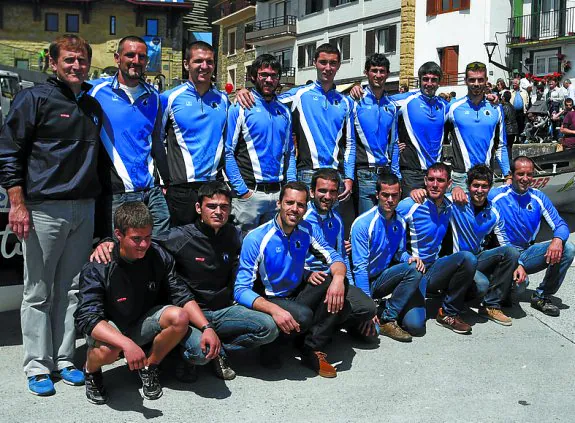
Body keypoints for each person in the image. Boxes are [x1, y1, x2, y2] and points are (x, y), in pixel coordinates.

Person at [90, 183, 279, 383]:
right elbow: (141, 240)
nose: (218, 212)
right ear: (198, 208)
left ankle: (219, 350)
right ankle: (188, 354)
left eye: (224, 207)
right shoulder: (179, 236)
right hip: (191, 313)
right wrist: (108, 242)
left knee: (269, 328)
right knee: (199, 354)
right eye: (212, 206)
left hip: (224, 310)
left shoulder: (233, 235)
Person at [0, 35, 102, 396]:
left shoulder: (91, 104)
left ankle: (63, 358)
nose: (76, 66)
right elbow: (9, 151)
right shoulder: (34, 98)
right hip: (44, 208)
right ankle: (37, 365)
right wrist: (17, 202)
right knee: (38, 291)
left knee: (71, 289)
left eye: (82, 60)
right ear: (53, 63)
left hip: (83, 207)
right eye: (69, 60)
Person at [76, 202, 193, 404]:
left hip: (140, 323)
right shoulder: (99, 265)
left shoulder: (158, 254)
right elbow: (87, 318)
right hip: (109, 329)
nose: (144, 245)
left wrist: (207, 327)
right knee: (109, 350)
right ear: (118, 235)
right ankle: (91, 370)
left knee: (180, 317)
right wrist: (126, 344)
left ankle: (150, 366)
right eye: (136, 239)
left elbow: (180, 293)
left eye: (147, 237)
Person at [234, 182, 349, 378]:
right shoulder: (256, 238)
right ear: (279, 204)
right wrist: (274, 310)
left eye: (301, 205)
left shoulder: (306, 229)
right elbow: (240, 290)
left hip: (296, 293)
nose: (295, 209)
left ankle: (311, 349)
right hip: (270, 299)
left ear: (306, 207)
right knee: (303, 316)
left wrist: (338, 278)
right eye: (289, 203)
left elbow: (334, 257)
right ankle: (275, 343)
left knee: (339, 287)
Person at [236, 44, 355, 204]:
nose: (328, 68)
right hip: (307, 173)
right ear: (314, 63)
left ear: (339, 65)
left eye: (333, 63)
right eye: (323, 62)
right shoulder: (299, 95)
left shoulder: (346, 102)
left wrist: (349, 177)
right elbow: (265, 97)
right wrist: (243, 91)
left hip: (336, 175)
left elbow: (350, 144)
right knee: (303, 226)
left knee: (330, 225)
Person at [414, 165, 519, 326]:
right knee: (481, 284)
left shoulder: (494, 211)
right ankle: (449, 306)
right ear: (469, 186)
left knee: (511, 252)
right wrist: (415, 191)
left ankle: (491, 305)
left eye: (484, 186)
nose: (479, 190)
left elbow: (504, 241)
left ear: (490, 188)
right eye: (475, 185)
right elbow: (435, 193)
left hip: (477, 258)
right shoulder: (455, 202)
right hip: (455, 261)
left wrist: (518, 265)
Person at [89, 35, 170, 237]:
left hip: (151, 190)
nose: (136, 61)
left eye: (141, 57)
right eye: (130, 55)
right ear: (117, 58)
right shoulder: (95, 91)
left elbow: (156, 141)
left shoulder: (154, 97)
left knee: (160, 246)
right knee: (120, 254)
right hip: (117, 192)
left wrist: (165, 181)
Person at [396, 163, 477, 334]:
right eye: (431, 179)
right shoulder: (410, 205)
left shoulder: (449, 204)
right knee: (415, 326)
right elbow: (385, 220)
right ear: (425, 181)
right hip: (413, 270)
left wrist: (458, 190)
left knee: (468, 259)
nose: (434, 184)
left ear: (448, 184)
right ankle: (395, 302)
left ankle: (448, 313)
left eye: (440, 180)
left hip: (434, 267)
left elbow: (479, 195)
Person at [489, 156, 575, 316]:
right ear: (511, 175)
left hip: (525, 253)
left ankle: (542, 296)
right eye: (521, 174)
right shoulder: (495, 196)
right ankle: (499, 288)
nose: (525, 179)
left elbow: (561, 225)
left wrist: (557, 240)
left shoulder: (538, 197)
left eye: (529, 174)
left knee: (567, 248)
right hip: (502, 255)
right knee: (520, 286)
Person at [352, 62, 448, 198]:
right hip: (411, 173)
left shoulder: (445, 106)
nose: (429, 83)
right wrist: (358, 88)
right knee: (410, 214)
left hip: (435, 174)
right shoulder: (405, 100)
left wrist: (489, 100)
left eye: (434, 80)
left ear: (439, 82)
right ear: (419, 80)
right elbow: (378, 100)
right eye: (425, 79)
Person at [350, 172, 425, 341]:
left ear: (400, 195)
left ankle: (388, 317)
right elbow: (360, 269)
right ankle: (366, 313)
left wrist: (409, 258)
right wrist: (367, 308)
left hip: (379, 278)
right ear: (377, 195)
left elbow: (399, 252)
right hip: (358, 283)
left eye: (394, 195)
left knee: (415, 268)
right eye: (385, 195)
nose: (390, 200)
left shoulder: (400, 221)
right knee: (371, 336)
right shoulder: (363, 224)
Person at [160, 41, 229, 226]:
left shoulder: (223, 99)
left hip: (214, 187)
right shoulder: (169, 98)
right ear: (186, 64)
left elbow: (228, 143)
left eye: (209, 62)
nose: (204, 67)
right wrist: (162, 181)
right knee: (181, 245)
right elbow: (157, 141)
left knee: (211, 246)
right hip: (181, 188)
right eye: (198, 61)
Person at [225, 54, 296, 232]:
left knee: (271, 251)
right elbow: (227, 152)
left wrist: (291, 187)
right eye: (263, 74)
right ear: (253, 76)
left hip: (278, 194)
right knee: (243, 251)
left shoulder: (284, 111)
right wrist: (243, 191)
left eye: (273, 75)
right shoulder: (240, 107)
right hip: (250, 194)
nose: (268, 79)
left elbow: (290, 153)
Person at [302, 169, 376, 338]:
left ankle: (332, 325)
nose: (327, 196)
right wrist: (306, 273)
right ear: (312, 192)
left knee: (368, 308)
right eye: (322, 191)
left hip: (336, 276)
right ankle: (312, 336)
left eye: (332, 191)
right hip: (311, 281)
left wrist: (347, 285)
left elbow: (342, 257)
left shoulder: (336, 218)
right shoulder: (303, 218)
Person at [446, 62, 510, 188]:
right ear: (465, 81)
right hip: (460, 178)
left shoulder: (496, 108)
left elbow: (501, 145)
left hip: (485, 177)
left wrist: (507, 175)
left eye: (480, 80)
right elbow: (435, 136)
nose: (476, 84)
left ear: (486, 80)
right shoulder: (453, 108)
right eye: (472, 80)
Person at [351, 53, 400, 214]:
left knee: (385, 222)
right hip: (364, 172)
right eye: (374, 70)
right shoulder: (356, 101)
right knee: (367, 222)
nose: (378, 75)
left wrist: (396, 174)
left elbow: (394, 143)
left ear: (387, 74)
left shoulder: (392, 105)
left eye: (382, 71)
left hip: (385, 173)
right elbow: (348, 140)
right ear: (366, 73)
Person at [501, 90, 518, 161]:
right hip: (514, 129)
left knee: (506, 146)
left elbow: (503, 118)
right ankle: (510, 160)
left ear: (504, 98)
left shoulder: (504, 107)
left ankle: (507, 161)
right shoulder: (513, 107)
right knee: (510, 146)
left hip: (507, 129)